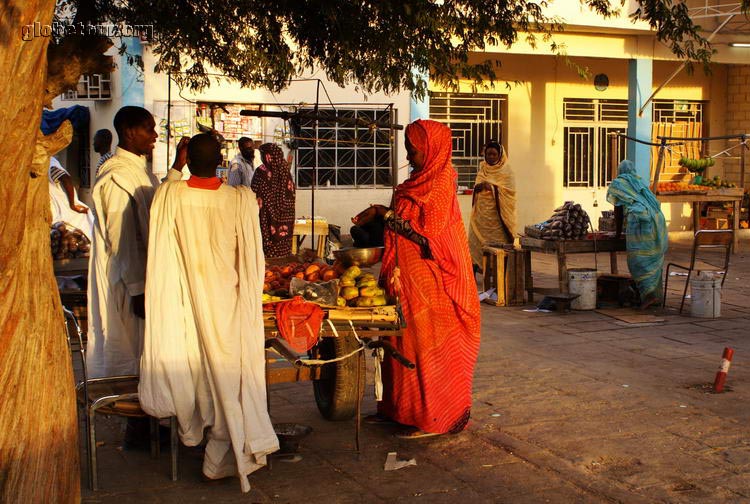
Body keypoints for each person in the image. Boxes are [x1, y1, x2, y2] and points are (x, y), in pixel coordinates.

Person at [139, 133, 278, 491]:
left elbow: (161, 223)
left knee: (200, 375)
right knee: (228, 379)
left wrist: (176, 164)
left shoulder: (170, 196)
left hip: (184, 302)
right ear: (220, 160)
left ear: (187, 158)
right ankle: (222, 452)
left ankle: (211, 445)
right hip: (227, 304)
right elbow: (252, 260)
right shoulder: (241, 199)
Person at [352, 119, 481, 439]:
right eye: (408, 150)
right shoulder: (416, 181)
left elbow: (428, 238)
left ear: (433, 150)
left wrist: (387, 215)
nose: (410, 157)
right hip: (403, 282)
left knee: (425, 350)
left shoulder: (439, 184)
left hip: (429, 284)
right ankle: (401, 411)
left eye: (415, 151)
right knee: (399, 345)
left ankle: (433, 417)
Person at [87, 106, 186, 379]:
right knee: (132, 353)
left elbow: (158, 205)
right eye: (149, 129)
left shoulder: (138, 170)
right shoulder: (117, 175)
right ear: (130, 132)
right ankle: (136, 419)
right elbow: (123, 238)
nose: (154, 135)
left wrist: (177, 167)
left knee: (148, 354)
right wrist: (138, 290)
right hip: (128, 282)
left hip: (144, 277)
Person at [606, 159, 668, 308]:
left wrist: (617, 233)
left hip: (641, 221)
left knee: (638, 261)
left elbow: (618, 211)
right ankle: (655, 296)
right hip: (657, 220)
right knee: (652, 259)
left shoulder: (619, 183)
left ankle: (649, 296)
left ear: (619, 170)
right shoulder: (639, 182)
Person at [468, 140, 517, 268]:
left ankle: (501, 274)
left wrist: (492, 187)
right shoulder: (482, 168)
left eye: (494, 154)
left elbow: (510, 192)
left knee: (499, 247)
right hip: (481, 217)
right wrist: (480, 186)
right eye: (488, 154)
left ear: (500, 155)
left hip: (498, 219)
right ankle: (473, 276)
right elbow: (476, 188)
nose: (491, 157)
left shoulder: (507, 171)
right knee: (476, 244)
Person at [251, 143, 296, 258]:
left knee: (267, 256)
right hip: (286, 219)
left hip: (266, 220)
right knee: (283, 257)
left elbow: (252, 193)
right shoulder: (286, 171)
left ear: (267, 156)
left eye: (261, 154)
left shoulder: (261, 172)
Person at [48, 156, 94, 238]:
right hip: (54, 207)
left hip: (56, 205)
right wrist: (72, 205)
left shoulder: (49, 162)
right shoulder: (48, 162)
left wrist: (72, 205)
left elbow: (65, 178)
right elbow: (65, 179)